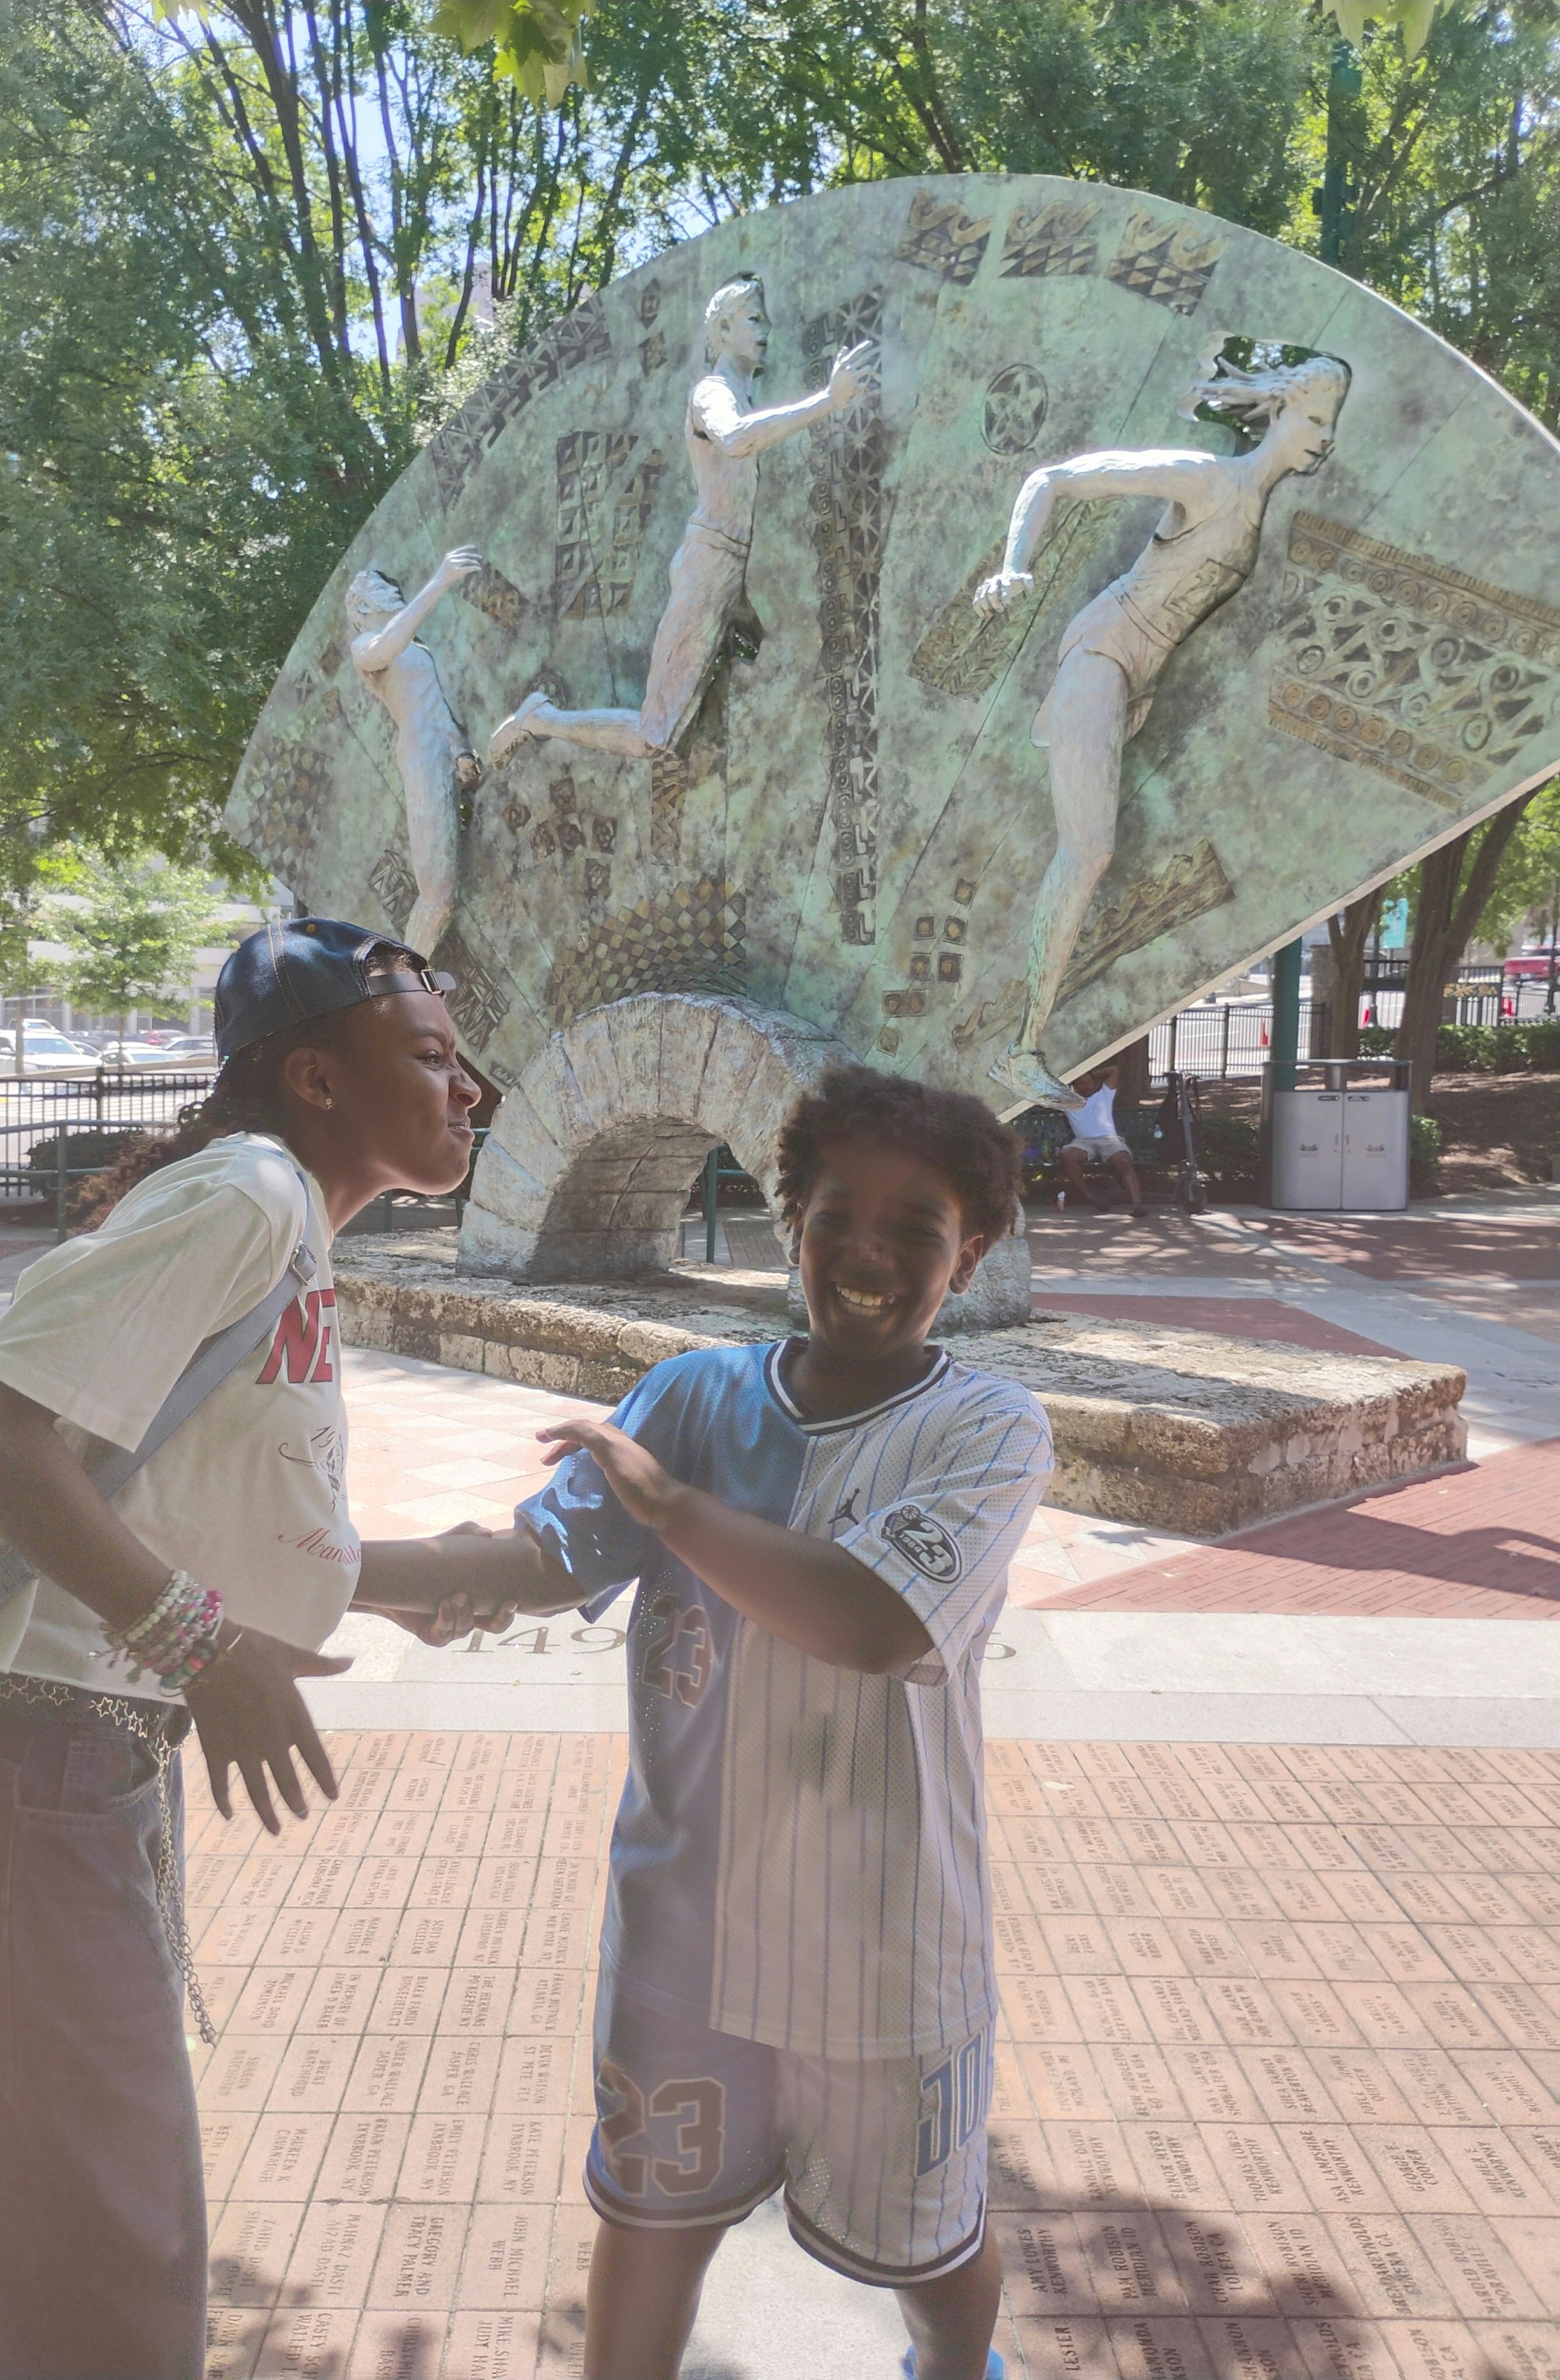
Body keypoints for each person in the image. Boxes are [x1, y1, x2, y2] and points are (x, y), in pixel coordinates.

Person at [0, 918, 506, 2380]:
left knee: (50, 2254)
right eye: (430, 1055)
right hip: (22, 1778)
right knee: (92, 2267)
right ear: (315, 1077)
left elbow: (154, 1504)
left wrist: (408, 1577)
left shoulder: (282, 1221)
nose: (470, 1088)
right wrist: (207, 1650)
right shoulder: (249, 1192)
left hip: (60, 1779)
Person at [357, 1062, 1052, 2380]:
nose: (865, 1249)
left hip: (886, 1940)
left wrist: (672, 1507)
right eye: (836, 1214)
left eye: (915, 1226)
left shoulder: (989, 1430)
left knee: (928, 2240)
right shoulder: (689, 1396)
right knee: (648, 2216)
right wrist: (320, 1567)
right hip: (683, 1926)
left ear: (969, 1256)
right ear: (790, 1222)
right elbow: (538, 1559)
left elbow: (871, 1621)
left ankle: (957, 2371)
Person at [973, 351, 1351, 1112]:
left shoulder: (1257, 509)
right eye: (1315, 419)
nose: (1324, 437)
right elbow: (1052, 479)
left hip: (1136, 684)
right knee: (1088, 850)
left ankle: (1024, 1044)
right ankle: (1020, 1051)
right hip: (1102, 653)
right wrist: (1014, 565)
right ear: (1281, 411)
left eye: (1331, 425)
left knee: (1098, 850)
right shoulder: (1208, 478)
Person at [488, 277, 877, 767]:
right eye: (754, 319)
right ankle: (540, 719)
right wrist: (828, 401)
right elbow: (735, 439)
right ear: (722, 329)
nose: (766, 328)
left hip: (743, 571)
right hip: (710, 568)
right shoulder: (711, 393)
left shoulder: (746, 395)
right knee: (654, 736)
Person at [346, 546, 486, 957]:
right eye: (383, 588)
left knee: (445, 892)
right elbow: (386, 648)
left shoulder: (415, 648)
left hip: (445, 754)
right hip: (421, 756)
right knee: (437, 893)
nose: (394, 591)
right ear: (362, 605)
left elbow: (434, 704)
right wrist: (440, 581)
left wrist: (460, 750)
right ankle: (400, 982)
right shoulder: (366, 646)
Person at [1058, 1065, 1144, 1218]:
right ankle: (1090, 1197)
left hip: (1108, 1140)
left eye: (1089, 1082)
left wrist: (1089, 1075)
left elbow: (1114, 1070)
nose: (1087, 1086)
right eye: (1081, 1084)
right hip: (1083, 1142)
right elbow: (1056, 1083)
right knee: (1068, 1157)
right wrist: (1075, 1076)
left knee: (1123, 1159)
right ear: (1074, 1086)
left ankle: (1137, 1203)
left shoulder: (1104, 1095)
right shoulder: (1067, 1101)